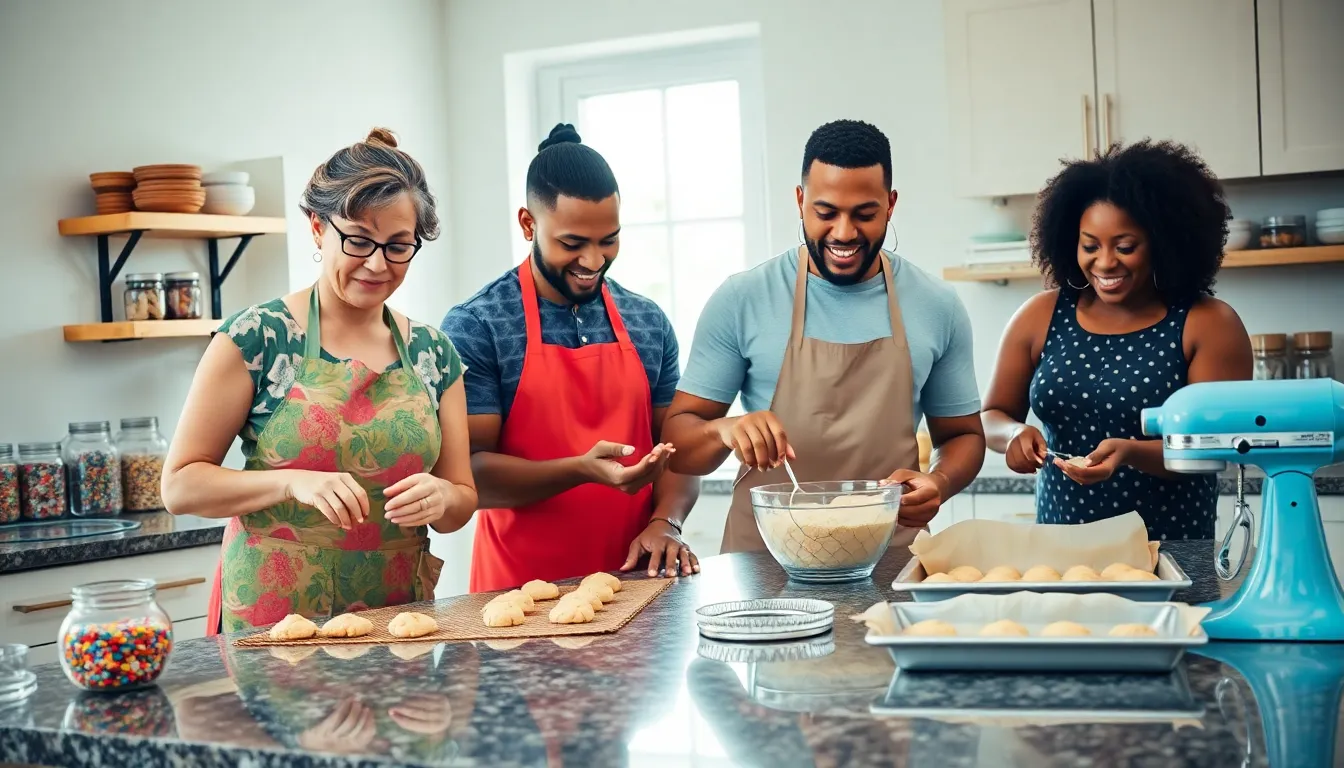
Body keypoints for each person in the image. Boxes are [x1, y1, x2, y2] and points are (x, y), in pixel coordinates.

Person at [163, 128, 478, 634]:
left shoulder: (435, 355)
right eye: (358, 240)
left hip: (396, 615)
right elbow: (180, 486)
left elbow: (461, 496)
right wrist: (292, 480)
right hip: (273, 618)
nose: (378, 264)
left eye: (399, 246)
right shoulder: (258, 338)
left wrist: (443, 497)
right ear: (317, 228)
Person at [662, 119, 986, 553]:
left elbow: (963, 435)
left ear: (890, 205)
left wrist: (939, 482)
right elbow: (679, 445)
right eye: (826, 212)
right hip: (765, 560)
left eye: (865, 214)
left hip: (888, 556)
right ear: (800, 201)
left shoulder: (936, 304)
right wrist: (726, 429)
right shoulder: (743, 299)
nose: (844, 233)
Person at [440, 123, 700, 593]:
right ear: (528, 224)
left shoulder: (647, 322)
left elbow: (679, 451)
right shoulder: (480, 324)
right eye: (572, 243)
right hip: (518, 597)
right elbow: (469, 474)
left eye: (608, 240)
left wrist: (667, 522)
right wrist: (580, 469)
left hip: (636, 588)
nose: (594, 260)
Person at [980, 139, 1253, 540]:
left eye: (1125, 247)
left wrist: (1130, 453)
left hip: (1169, 551)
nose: (1105, 263)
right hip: (1062, 552)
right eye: (1090, 246)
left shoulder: (1207, 323)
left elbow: (1213, 446)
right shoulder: (1040, 315)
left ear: (1164, 242)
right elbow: (991, 417)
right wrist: (1014, 436)